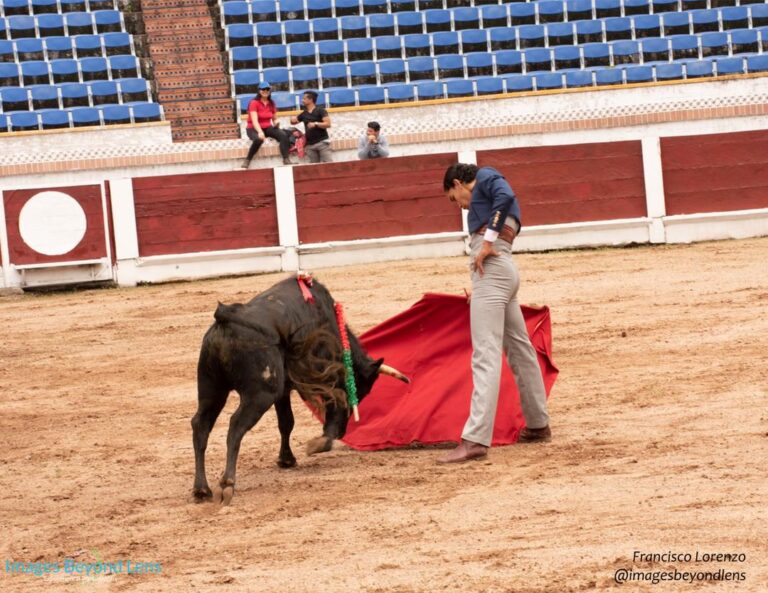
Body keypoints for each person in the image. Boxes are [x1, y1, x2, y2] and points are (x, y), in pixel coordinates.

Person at [438, 163, 551, 464]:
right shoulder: (486, 194)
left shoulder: (486, 177)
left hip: (493, 268)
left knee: (485, 355)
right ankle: (538, 424)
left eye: (454, 198)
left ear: (458, 183)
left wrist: (487, 242)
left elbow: (504, 197)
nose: (460, 206)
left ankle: (475, 440)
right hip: (503, 271)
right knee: (520, 350)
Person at [242, 81, 292, 169]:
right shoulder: (254, 102)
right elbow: (254, 120)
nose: (265, 91)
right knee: (258, 139)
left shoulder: (272, 103)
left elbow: (274, 118)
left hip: (267, 127)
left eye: (267, 89)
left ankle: (286, 159)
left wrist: (276, 123)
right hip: (253, 128)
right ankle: (247, 160)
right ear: (259, 91)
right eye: (263, 89)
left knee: (283, 135)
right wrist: (260, 132)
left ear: (270, 91)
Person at [290, 90, 332, 163]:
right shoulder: (304, 114)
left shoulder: (321, 110)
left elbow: (328, 124)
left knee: (328, 165)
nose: (302, 100)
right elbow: (293, 122)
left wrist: (316, 124)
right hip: (310, 146)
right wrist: (291, 119)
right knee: (314, 167)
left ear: (311, 100)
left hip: (322, 143)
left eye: (304, 98)